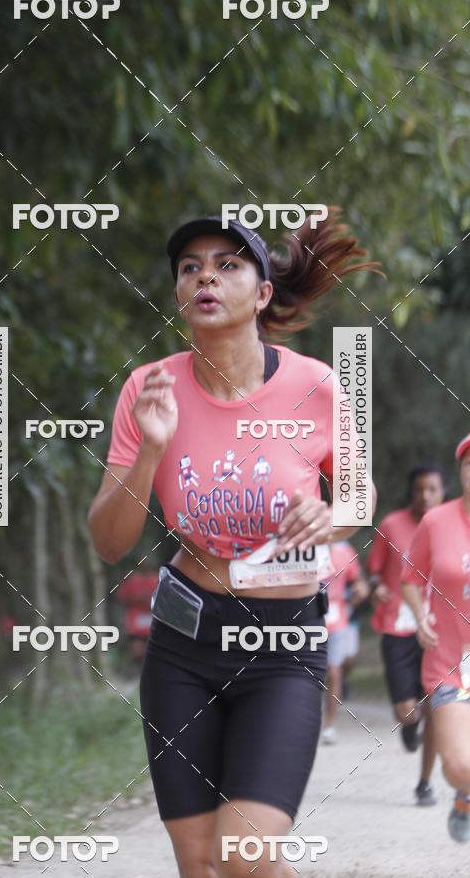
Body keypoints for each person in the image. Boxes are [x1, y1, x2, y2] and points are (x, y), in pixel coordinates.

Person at [88, 208, 379, 877]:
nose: (205, 278)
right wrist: (149, 449)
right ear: (177, 294)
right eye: (190, 268)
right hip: (184, 644)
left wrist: (330, 520)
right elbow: (109, 540)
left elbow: (360, 497)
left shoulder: (316, 386)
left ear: (263, 292)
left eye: (227, 265)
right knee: (199, 865)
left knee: (243, 853)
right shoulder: (148, 388)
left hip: (282, 644)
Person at [401, 435, 470, 843]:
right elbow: (410, 578)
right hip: (449, 662)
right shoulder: (436, 522)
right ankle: (464, 792)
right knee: (458, 765)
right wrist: (421, 611)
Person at [366, 464, 446, 806]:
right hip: (397, 629)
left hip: (438, 631)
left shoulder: (453, 525)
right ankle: (409, 727)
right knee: (408, 712)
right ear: (410, 492)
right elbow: (373, 571)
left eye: (432, 489)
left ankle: (425, 783)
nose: (425, 496)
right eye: (419, 490)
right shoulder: (391, 525)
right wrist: (376, 588)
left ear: (443, 492)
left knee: (435, 709)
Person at [322, 540, 369, 744]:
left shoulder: (345, 551)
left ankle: (329, 726)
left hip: (338, 621)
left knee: (335, 672)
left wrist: (361, 591)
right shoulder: (303, 548)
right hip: (307, 623)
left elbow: (359, 582)